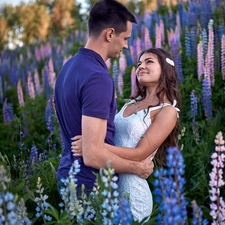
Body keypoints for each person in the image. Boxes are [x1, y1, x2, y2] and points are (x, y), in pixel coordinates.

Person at [54, 0, 154, 202]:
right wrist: (138, 167)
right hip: (91, 187)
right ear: (109, 34)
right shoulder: (98, 77)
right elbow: (93, 155)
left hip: (68, 177)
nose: (126, 45)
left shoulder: (67, 68)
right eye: (125, 38)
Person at [72, 47, 181, 223]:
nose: (141, 66)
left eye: (149, 62)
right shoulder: (131, 103)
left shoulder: (167, 111)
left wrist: (93, 147)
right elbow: (103, 130)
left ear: (165, 69)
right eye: (139, 63)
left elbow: (140, 154)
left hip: (133, 192)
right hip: (109, 186)